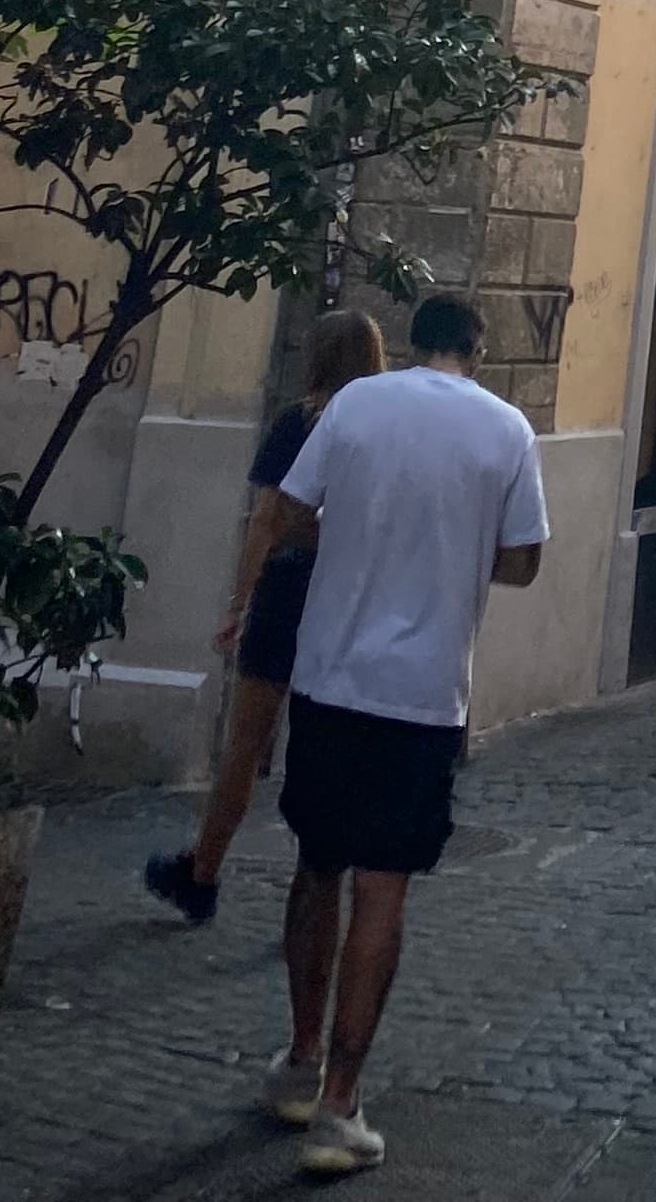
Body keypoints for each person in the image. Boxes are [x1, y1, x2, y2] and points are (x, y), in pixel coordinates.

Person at [263, 294, 546, 1179]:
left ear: (415, 342)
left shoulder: (355, 403)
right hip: (421, 696)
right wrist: (460, 550)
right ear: (478, 348)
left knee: (317, 867)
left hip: (329, 674)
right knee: (382, 896)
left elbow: (289, 513)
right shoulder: (505, 429)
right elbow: (526, 560)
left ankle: (302, 1062)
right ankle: (341, 1108)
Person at [146, 306, 385, 926]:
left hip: (289, 589)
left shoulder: (299, 423)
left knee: (247, 741)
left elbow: (268, 519)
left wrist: (238, 602)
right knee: (328, 744)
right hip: (353, 592)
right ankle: (316, 893)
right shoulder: (384, 429)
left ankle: (203, 872)